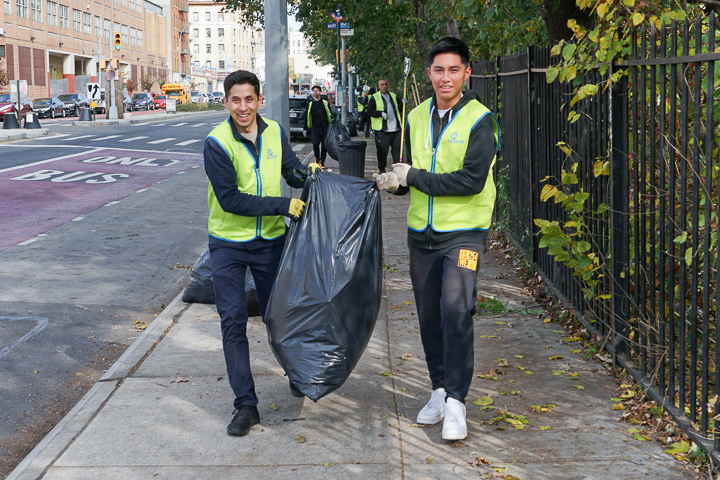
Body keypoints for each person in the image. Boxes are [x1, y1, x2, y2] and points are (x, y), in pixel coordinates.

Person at [373, 37, 500, 441]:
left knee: (456, 311)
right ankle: (440, 391)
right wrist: (396, 184)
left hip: (464, 234)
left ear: (467, 72)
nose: (446, 78)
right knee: (429, 318)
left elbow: (470, 181)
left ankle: (458, 404)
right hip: (421, 236)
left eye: (454, 70)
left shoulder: (481, 120)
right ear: (429, 74)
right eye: (439, 70)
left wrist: (414, 177)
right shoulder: (415, 115)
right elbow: (415, 176)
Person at [204, 70, 321, 437]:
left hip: (270, 242)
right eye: (235, 100)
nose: (243, 107)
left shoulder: (274, 132)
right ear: (226, 102)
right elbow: (231, 200)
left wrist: (309, 175)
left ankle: (296, 373)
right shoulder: (217, 142)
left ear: (259, 100)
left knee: (281, 316)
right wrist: (284, 205)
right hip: (228, 245)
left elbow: (290, 170)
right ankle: (245, 405)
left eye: (249, 99)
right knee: (233, 321)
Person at [367, 80, 402, 173]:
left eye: (386, 84)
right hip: (382, 130)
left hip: (395, 129)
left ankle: (397, 169)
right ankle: (382, 170)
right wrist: (380, 113)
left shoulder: (393, 96)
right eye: (382, 85)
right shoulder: (375, 97)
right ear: (379, 86)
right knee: (382, 151)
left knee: (396, 151)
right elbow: (369, 111)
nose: (384, 86)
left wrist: (403, 102)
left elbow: (400, 108)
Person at [307, 85, 333, 167]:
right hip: (315, 127)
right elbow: (306, 116)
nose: (315, 92)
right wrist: (306, 128)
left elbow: (329, 113)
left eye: (317, 91)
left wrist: (330, 124)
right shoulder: (311, 104)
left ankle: (322, 161)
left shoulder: (324, 102)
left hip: (324, 126)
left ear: (320, 92)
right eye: (314, 91)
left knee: (324, 145)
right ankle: (317, 159)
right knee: (315, 143)